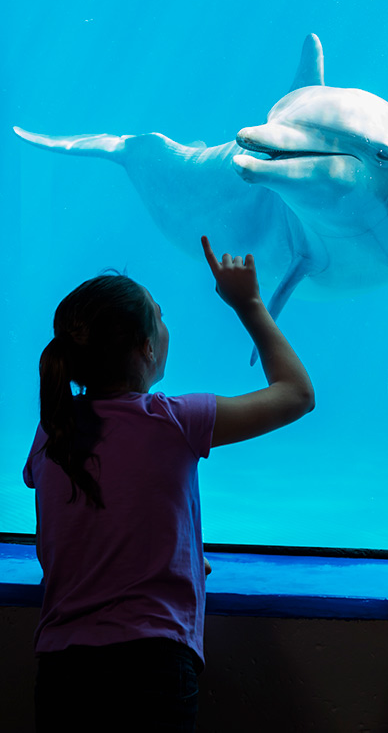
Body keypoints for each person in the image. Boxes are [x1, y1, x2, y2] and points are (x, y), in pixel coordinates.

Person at [24, 236, 315, 733]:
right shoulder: (174, 420)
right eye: (159, 317)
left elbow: (89, 518)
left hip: (61, 667)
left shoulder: (54, 428)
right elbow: (296, 394)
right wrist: (248, 304)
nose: (165, 325)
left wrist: (166, 554)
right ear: (146, 347)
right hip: (150, 665)